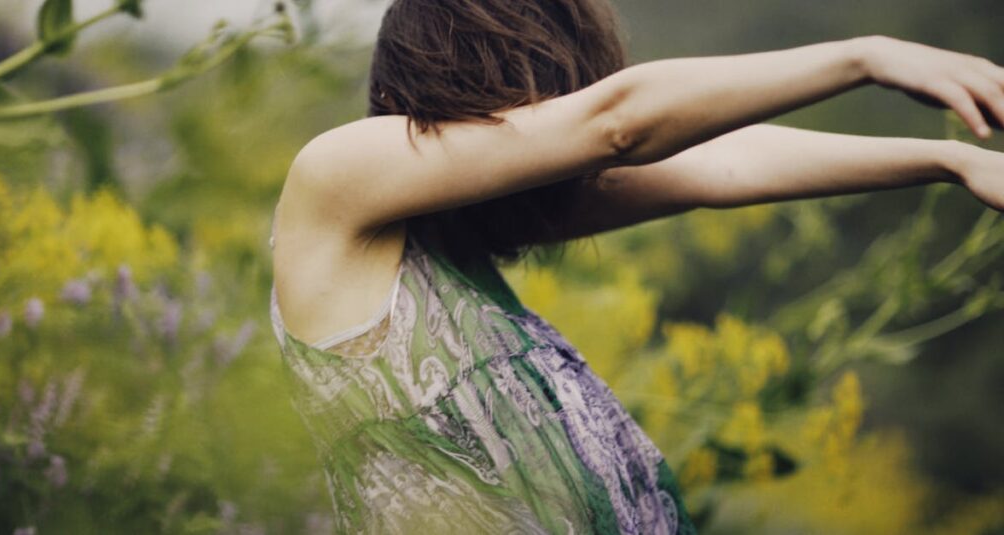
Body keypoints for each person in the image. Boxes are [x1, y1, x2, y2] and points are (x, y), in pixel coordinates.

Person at [268, 1, 1004, 533]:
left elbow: (720, 166)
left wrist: (950, 158)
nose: (542, 133)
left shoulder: (456, 231)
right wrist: (865, 56)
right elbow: (614, 124)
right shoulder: (335, 180)